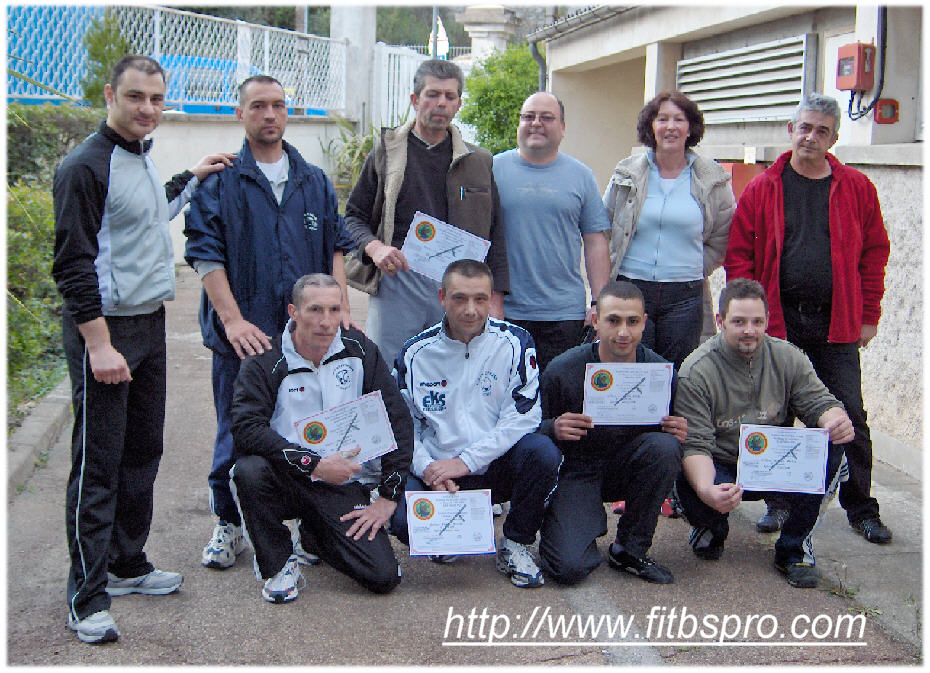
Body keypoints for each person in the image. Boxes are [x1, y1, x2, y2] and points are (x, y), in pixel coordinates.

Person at [52, 54, 235, 644]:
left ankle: (127, 562)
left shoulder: (138, 156)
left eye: (156, 99)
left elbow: (148, 217)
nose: (147, 109)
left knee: (142, 449)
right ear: (111, 95)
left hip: (148, 325)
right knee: (99, 462)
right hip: (106, 332)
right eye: (135, 98)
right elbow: (73, 265)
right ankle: (86, 594)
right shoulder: (85, 166)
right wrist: (99, 346)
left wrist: (193, 178)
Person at [184, 75, 356, 571]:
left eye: (278, 105)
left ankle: (302, 523)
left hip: (305, 339)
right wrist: (232, 320)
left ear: (288, 112)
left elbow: (336, 246)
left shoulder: (314, 180)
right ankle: (228, 523)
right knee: (237, 430)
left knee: (308, 427)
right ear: (240, 113)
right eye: (258, 106)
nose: (269, 115)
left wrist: (340, 307)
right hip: (244, 339)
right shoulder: (219, 182)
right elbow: (204, 254)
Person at [724, 93, 892, 544]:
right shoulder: (764, 186)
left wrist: (869, 315)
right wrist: (746, 319)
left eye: (821, 130)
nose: (811, 137)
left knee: (848, 415)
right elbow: (739, 255)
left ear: (834, 138)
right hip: (779, 324)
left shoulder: (856, 188)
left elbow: (874, 254)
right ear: (790, 130)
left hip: (836, 324)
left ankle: (861, 507)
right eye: (805, 127)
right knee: (773, 414)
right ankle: (780, 502)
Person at [229, 274, 413, 602]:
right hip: (285, 475)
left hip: (338, 480)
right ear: (293, 312)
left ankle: (314, 537)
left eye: (334, 309)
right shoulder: (265, 359)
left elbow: (397, 419)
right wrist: (313, 464)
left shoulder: (360, 351)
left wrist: (388, 496)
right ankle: (277, 563)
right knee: (248, 471)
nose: (326, 322)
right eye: (315, 309)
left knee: (382, 576)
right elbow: (246, 429)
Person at [390, 260, 561, 588]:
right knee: (401, 520)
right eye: (459, 298)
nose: (471, 310)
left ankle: (515, 543)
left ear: (491, 298)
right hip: (441, 475)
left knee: (542, 451)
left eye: (480, 299)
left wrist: (466, 462)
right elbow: (403, 425)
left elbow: (523, 417)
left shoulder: (516, 342)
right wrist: (428, 468)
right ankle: (451, 535)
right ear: (442, 297)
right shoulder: (415, 353)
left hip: (495, 468)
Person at [673, 279, 854, 588]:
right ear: (720, 321)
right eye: (739, 322)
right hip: (722, 465)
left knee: (833, 451)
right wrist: (706, 491)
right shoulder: (696, 370)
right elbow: (695, 444)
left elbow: (818, 402)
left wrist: (834, 420)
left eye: (757, 322)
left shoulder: (789, 357)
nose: (749, 330)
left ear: (768, 321)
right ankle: (709, 526)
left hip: (776, 464)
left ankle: (794, 549)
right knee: (675, 456)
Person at [344, 59, 509, 364]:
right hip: (398, 282)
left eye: (449, 96)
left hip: (458, 286)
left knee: (455, 371)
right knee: (392, 372)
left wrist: (495, 297)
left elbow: (495, 232)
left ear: (459, 104)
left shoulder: (478, 161)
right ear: (415, 99)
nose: (441, 103)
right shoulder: (386, 150)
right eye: (432, 94)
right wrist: (375, 247)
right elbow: (353, 217)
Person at [537, 281, 685, 585]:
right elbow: (526, 428)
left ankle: (630, 549)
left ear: (644, 322)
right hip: (578, 472)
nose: (623, 332)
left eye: (632, 322)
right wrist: (552, 427)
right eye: (613, 320)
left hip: (628, 467)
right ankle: (567, 526)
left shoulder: (660, 372)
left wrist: (678, 429)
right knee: (568, 569)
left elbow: (668, 433)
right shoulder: (563, 370)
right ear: (595, 321)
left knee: (666, 446)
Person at [602, 90, 735, 369]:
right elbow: (605, 228)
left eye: (679, 119)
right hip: (631, 290)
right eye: (662, 119)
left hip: (685, 296)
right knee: (631, 369)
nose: (670, 127)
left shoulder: (713, 178)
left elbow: (722, 237)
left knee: (679, 373)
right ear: (651, 126)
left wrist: (692, 267)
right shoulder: (627, 173)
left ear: (690, 128)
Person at [492, 91, 611, 372]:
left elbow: (596, 242)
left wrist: (599, 302)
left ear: (563, 128)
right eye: (528, 116)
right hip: (504, 312)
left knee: (559, 403)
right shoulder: (492, 169)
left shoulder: (581, 176)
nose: (536, 123)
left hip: (563, 315)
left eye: (547, 117)